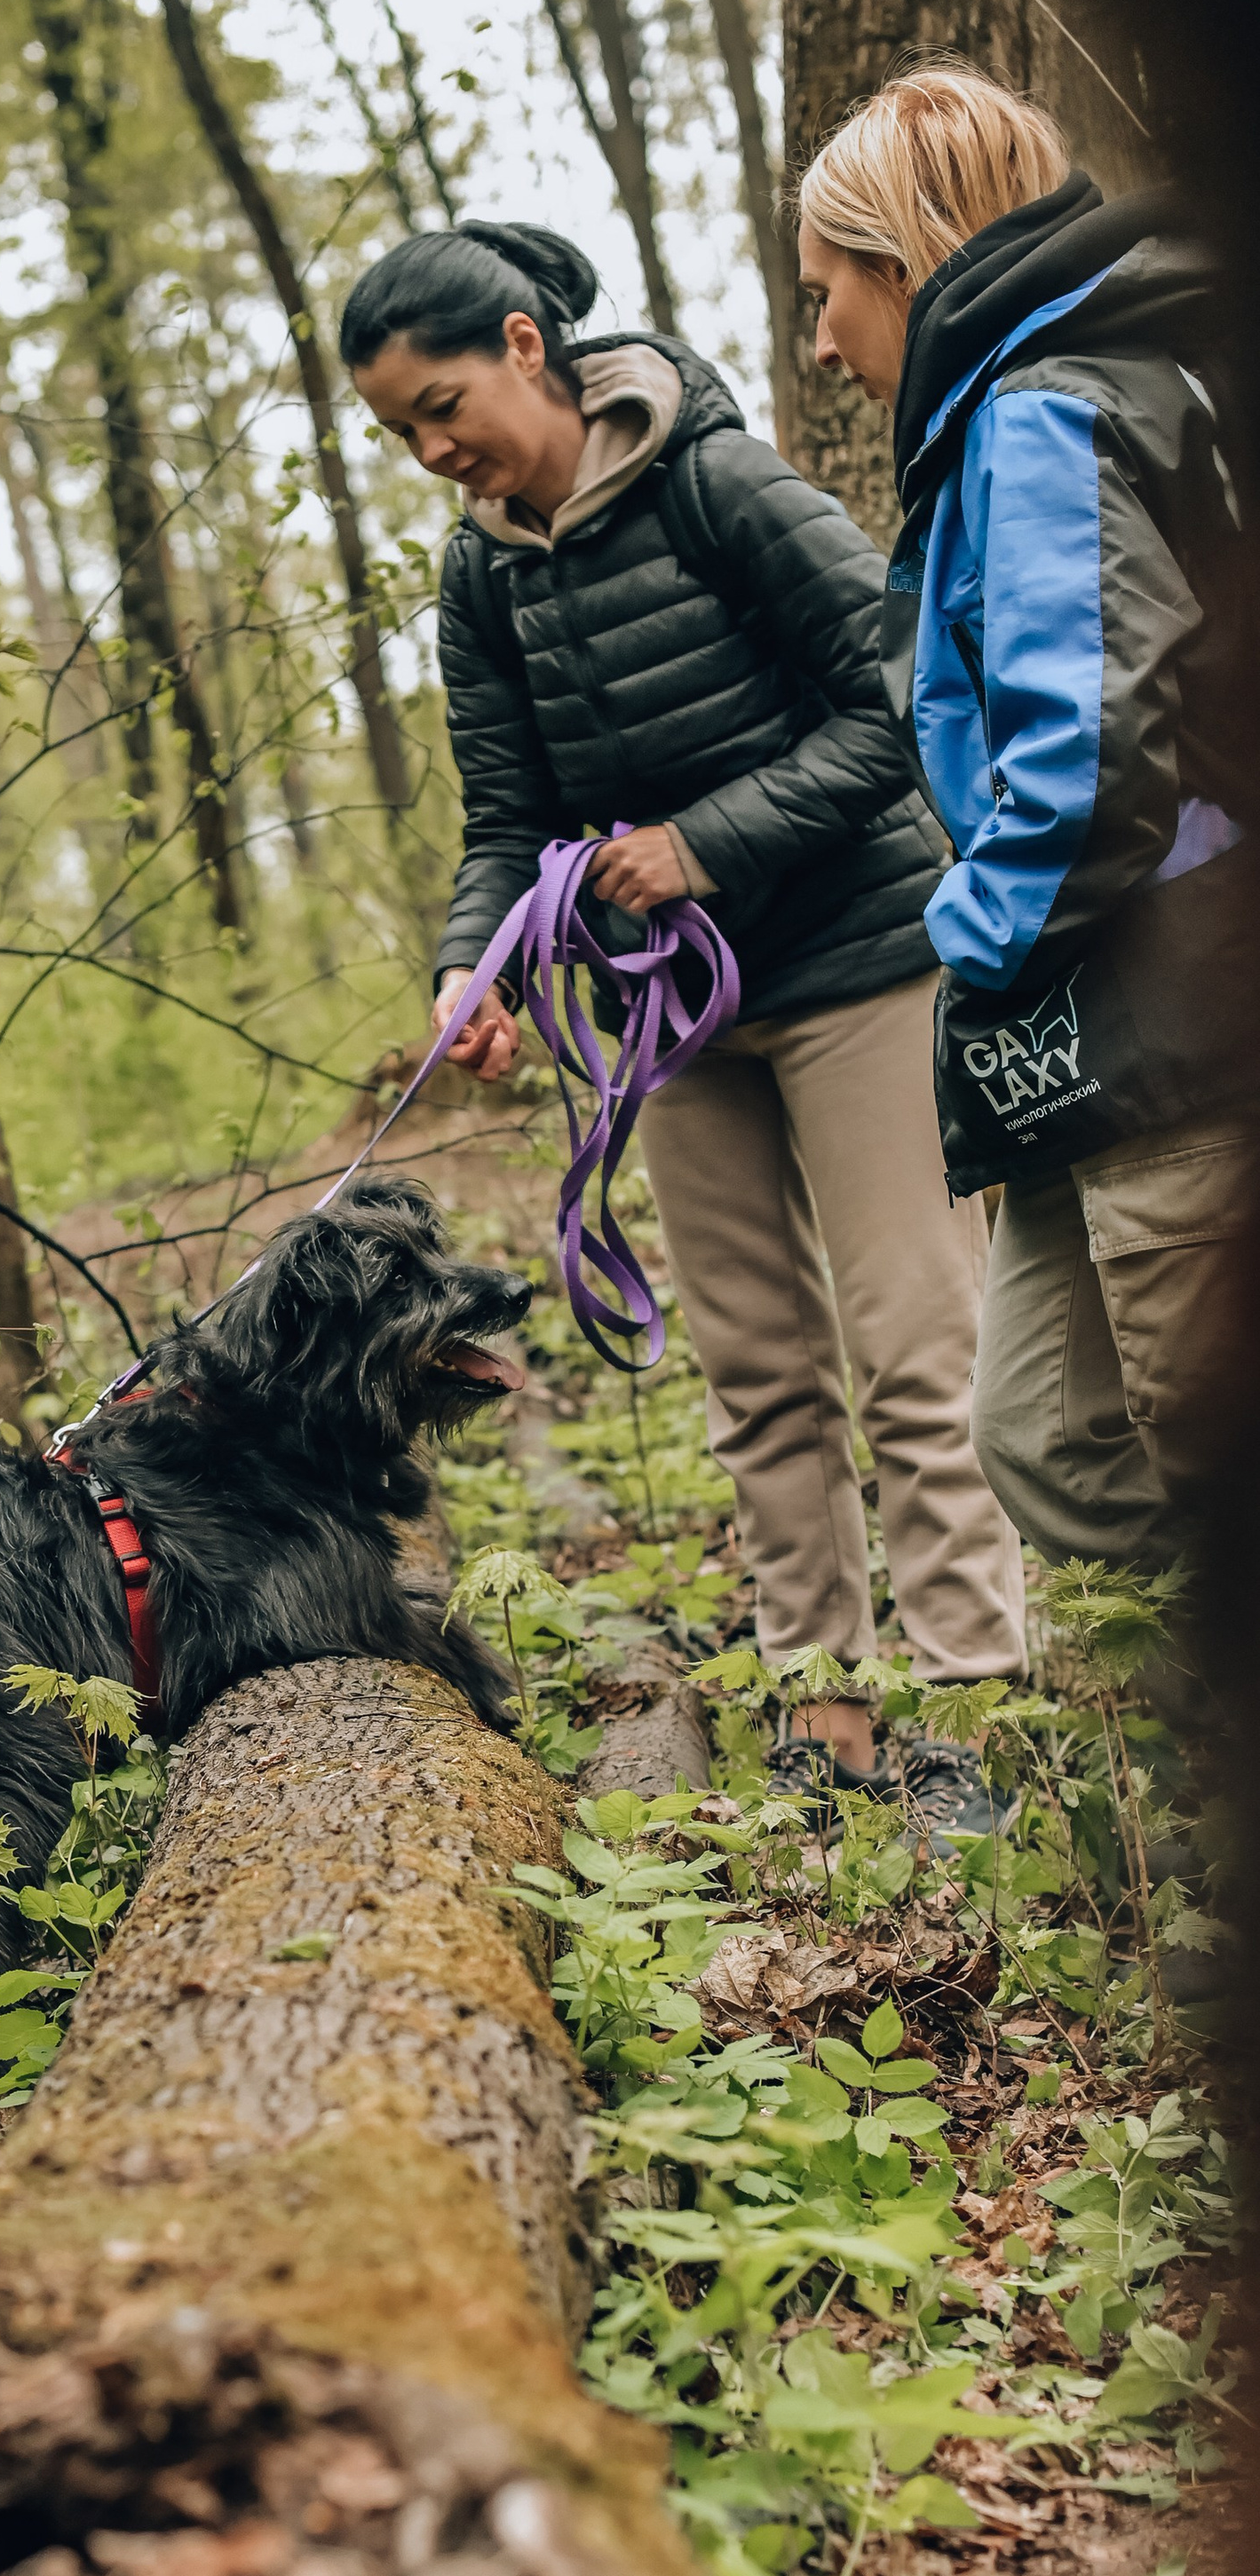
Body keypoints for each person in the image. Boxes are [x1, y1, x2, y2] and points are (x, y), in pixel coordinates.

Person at [339, 218, 1026, 1825]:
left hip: (861, 966)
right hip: (680, 1025)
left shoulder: (720, 481)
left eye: (443, 406)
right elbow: (505, 813)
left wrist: (702, 844)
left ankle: (981, 1723)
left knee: (919, 1352)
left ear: (526, 347)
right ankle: (827, 1710)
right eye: (400, 434)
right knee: (760, 1375)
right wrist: (475, 965)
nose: (435, 452)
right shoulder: (477, 574)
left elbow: (901, 700)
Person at [796, 66, 1248, 1574]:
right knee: (1046, 1435)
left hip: (1174, 1008)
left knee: (1196, 1456)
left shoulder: (1048, 412)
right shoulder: (1034, 405)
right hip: (1104, 1020)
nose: (820, 339)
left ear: (902, 264)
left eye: (825, 292)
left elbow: (1090, 753)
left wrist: (968, 942)